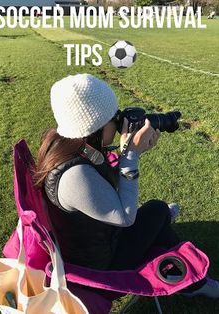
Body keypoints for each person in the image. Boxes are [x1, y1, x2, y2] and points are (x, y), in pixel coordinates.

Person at [34, 73, 219, 298]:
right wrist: (130, 156)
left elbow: (104, 186)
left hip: (98, 240)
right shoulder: (75, 176)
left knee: (157, 211)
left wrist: (124, 152)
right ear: (95, 126)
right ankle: (194, 285)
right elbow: (125, 218)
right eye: (114, 117)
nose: (119, 123)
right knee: (157, 212)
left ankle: (180, 264)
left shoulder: (69, 144)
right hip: (100, 272)